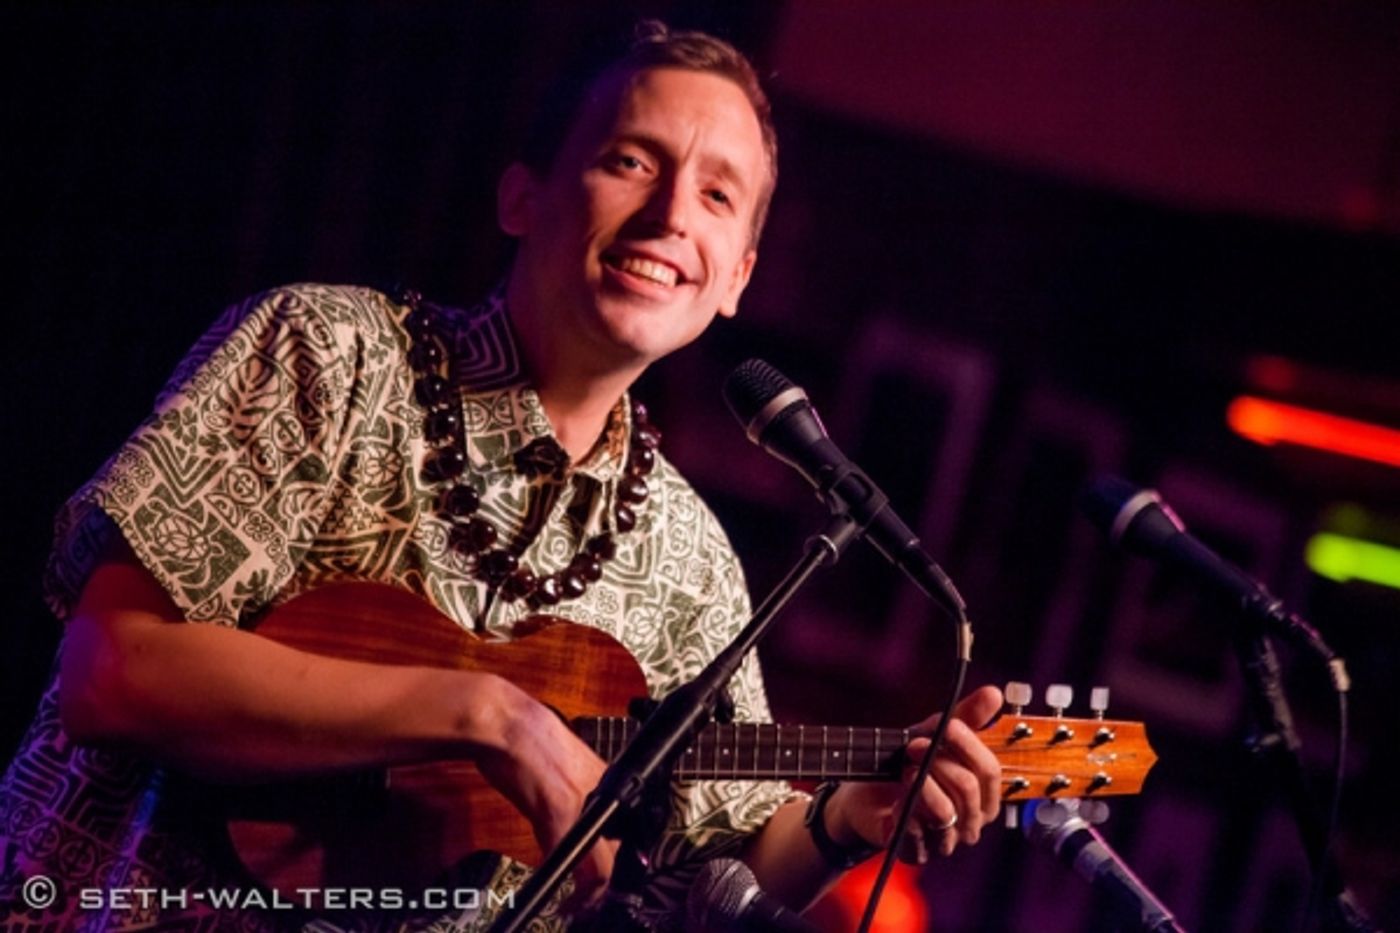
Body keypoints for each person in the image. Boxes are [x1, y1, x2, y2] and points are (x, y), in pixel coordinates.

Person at [0, 21, 1002, 932]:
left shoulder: (691, 563)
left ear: (738, 273)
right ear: (521, 194)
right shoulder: (327, 355)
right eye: (627, 161)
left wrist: (849, 817)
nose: (667, 215)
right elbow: (115, 673)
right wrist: (487, 716)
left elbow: (721, 865)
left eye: (715, 196)